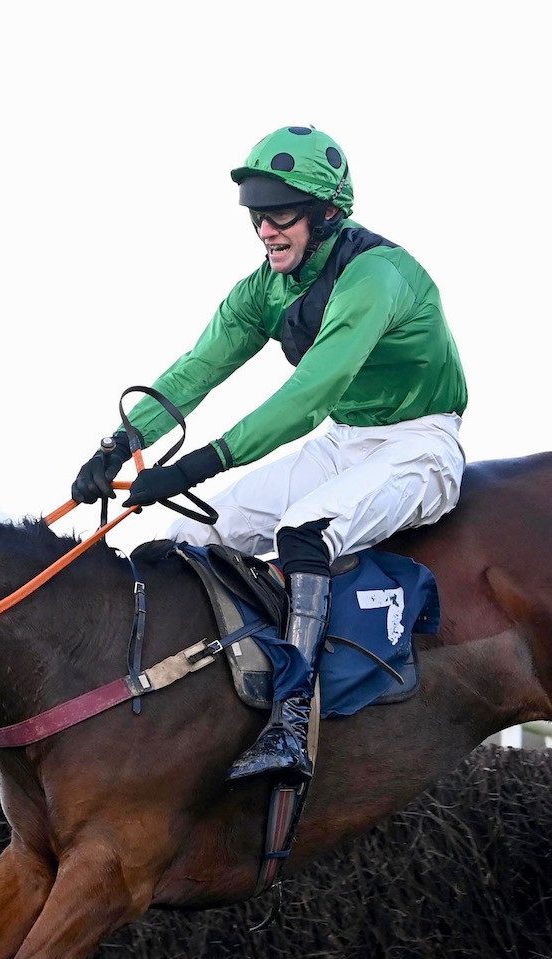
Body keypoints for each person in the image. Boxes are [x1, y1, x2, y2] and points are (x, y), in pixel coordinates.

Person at [70, 125, 469, 783]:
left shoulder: (376, 275)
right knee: (190, 530)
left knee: (301, 531)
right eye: (258, 213)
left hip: (421, 444)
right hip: (346, 442)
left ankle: (290, 720)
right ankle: (190, 695)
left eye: (281, 213)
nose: (266, 228)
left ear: (327, 212)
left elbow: (310, 393)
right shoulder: (265, 288)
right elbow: (198, 368)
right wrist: (119, 444)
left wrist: (198, 463)